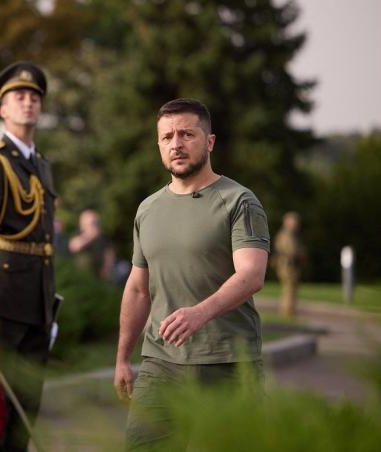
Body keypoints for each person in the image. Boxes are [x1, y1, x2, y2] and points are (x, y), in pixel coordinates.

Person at [113, 98, 270, 450]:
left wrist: (199, 313)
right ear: (159, 145)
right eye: (167, 137)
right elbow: (138, 289)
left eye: (187, 134)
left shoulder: (239, 201)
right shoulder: (147, 209)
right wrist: (122, 358)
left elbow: (252, 275)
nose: (176, 144)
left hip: (228, 363)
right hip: (161, 364)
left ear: (209, 141)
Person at [0, 61, 57, 452]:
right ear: (2, 108)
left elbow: (45, 242)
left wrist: (49, 303)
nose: (28, 102)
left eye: (34, 97)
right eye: (19, 96)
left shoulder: (41, 163)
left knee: (28, 404)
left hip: (38, 300)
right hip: (3, 298)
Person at [273, 211, 305, 317]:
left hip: (289, 265)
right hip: (287, 265)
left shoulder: (290, 235)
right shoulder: (286, 235)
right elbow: (289, 250)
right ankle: (287, 311)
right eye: (293, 222)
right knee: (289, 288)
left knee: (291, 288)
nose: (296, 224)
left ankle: (289, 310)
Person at [68, 208, 115, 280]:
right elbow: (74, 247)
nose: (94, 226)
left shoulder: (102, 238)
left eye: (96, 223)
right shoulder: (77, 234)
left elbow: (109, 253)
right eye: (92, 223)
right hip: (81, 275)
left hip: (98, 275)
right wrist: (90, 237)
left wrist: (106, 268)